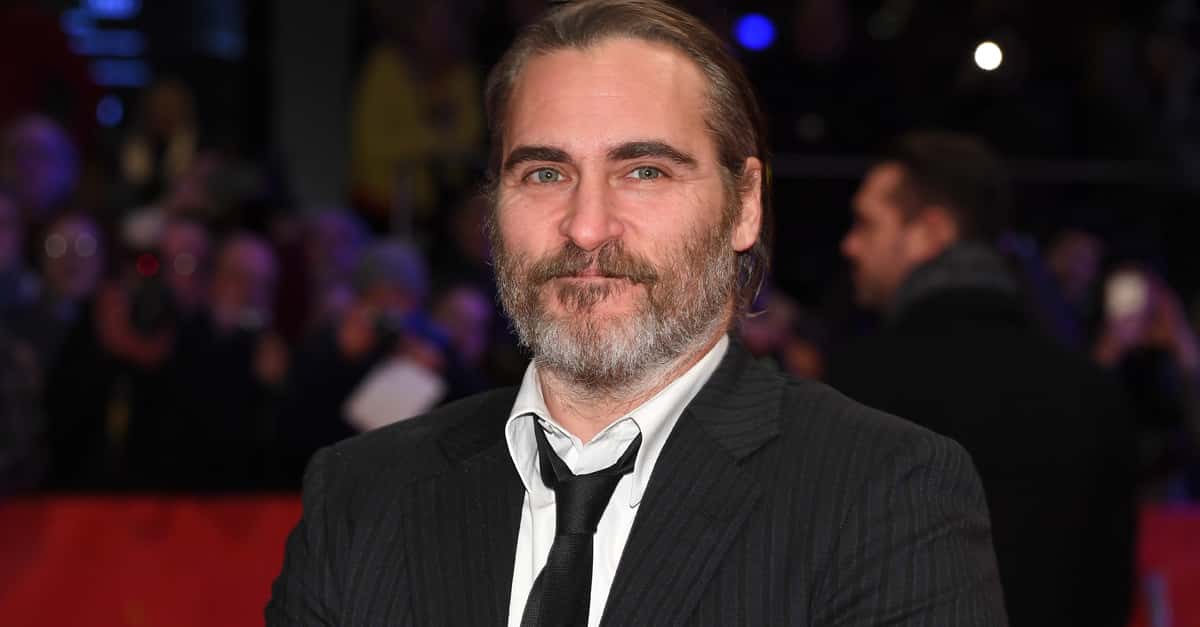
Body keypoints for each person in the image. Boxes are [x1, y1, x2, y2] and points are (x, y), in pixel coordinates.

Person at [268, 3, 1006, 625]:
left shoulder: (882, 492)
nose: (587, 226)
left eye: (644, 171)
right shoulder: (361, 495)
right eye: (545, 173)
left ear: (744, 205)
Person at [827, 131, 1137, 627]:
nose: (849, 245)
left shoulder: (857, 387)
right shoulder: (1090, 393)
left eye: (866, 224)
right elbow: (1108, 593)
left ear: (931, 231)